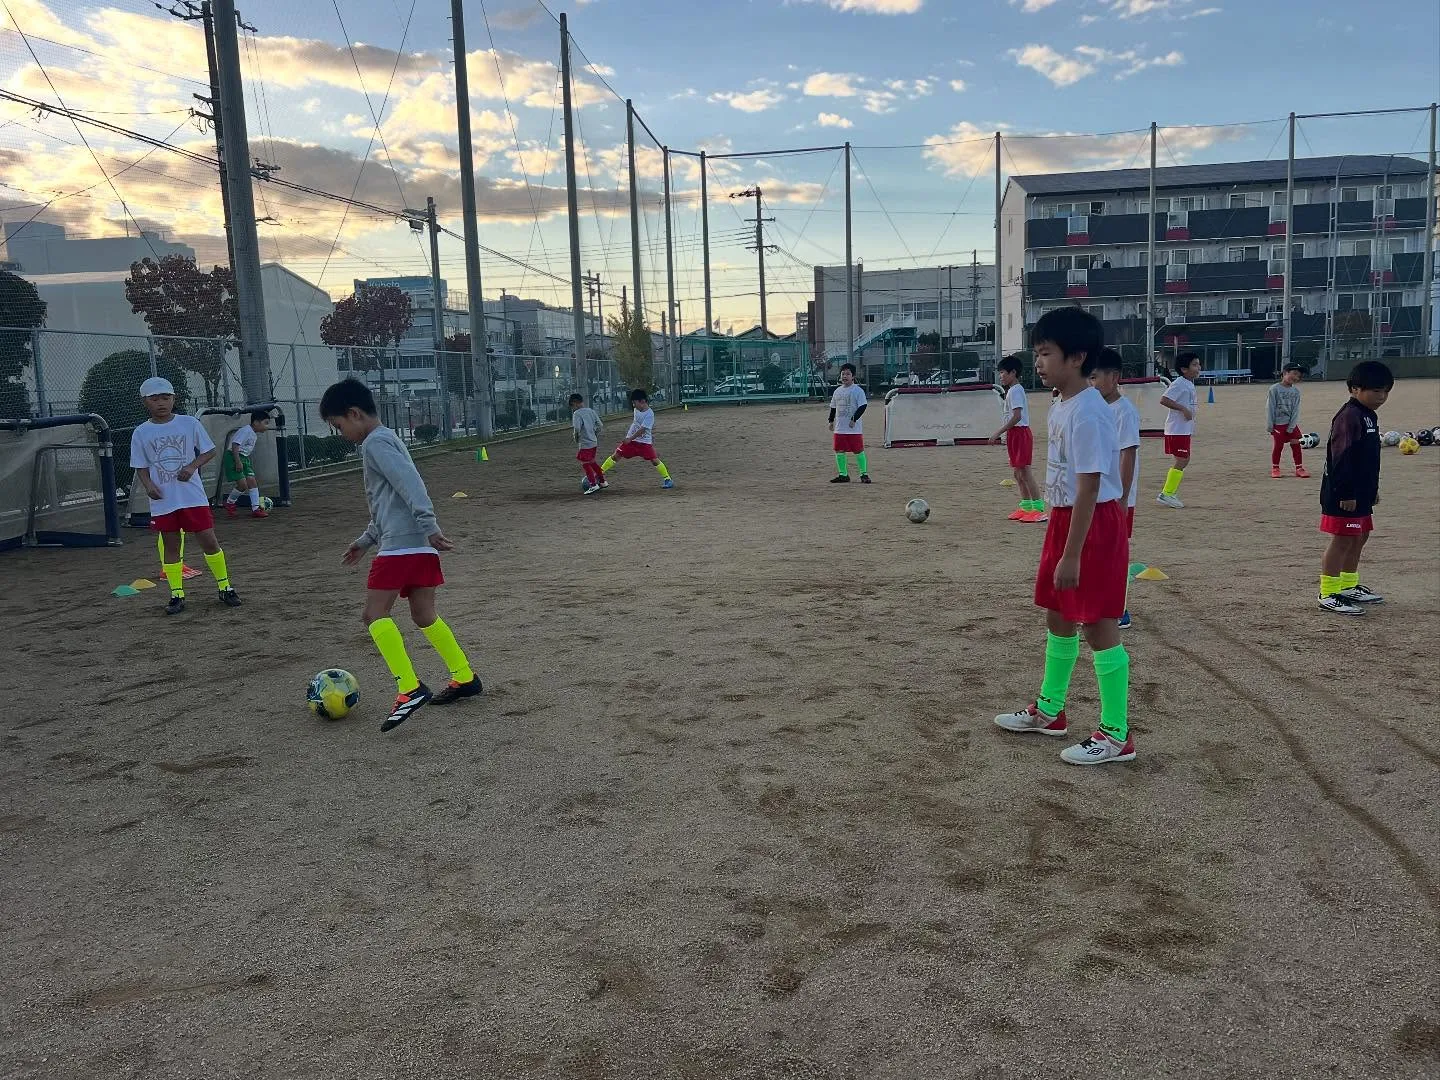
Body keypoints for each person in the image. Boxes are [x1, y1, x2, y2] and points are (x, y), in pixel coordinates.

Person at [993, 308, 1133, 765]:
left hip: (1091, 525)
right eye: (1036, 353)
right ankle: (1050, 710)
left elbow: (1091, 485)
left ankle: (1117, 733)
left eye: (1046, 353)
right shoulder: (1060, 401)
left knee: (1097, 623)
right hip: (1065, 520)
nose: (1039, 362)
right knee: (1057, 613)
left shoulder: (1089, 410)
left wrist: (1072, 554)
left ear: (1076, 357)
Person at [320, 378, 482, 732]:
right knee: (424, 615)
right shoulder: (386, 439)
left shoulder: (375, 443)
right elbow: (388, 502)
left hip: (402, 547)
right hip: (417, 545)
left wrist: (429, 523)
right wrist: (365, 540)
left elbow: (410, 483)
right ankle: (464, 677)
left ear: (354, 413)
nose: (341, 433)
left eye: (339, 426)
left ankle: (408, 687)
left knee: (373, 614)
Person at [131, 377, 241, 615]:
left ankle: (225, 586)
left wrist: (192, 466)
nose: (161, 403)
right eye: (155, 399)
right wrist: (148, 485)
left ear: (174, 399)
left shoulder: (189, 423)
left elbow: (209, 450)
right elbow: (140, 466)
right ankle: (176, 594)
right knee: (172, 545)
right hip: (163, 499)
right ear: (145, 402)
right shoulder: (141, 432)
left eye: (166, 398)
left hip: (192, 496)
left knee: (208, 540)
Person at [1317, 360, 1391, 616]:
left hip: (1361, 491)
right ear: (1354, 389)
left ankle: (1348, 585)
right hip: (1343, 493)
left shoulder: (1369, 415)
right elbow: (1341, 458)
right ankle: (1328, 592)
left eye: (1385, 391)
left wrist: (1372, 489)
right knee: (1343, 539)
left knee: (1360, 536)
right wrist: (1346, 492)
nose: (1381, 397)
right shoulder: (1349, 417)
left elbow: (1368, 459)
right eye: (1375, 391)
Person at [1089, 348, 1141, 630]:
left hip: (1118, 498)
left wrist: (1122, 497)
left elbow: (1127, 454)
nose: (1092, 384)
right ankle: (1100, 602)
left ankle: (1119, 609)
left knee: (1114, 554)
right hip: (1098, 495)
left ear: (1114, 377)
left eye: (1096, 377)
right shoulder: (1097, 408)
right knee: (1097, 552)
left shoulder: (1124, 412)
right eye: (1089, 378)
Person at [990, 354, 1045, 522]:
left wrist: (998, 432)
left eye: (1003, 373)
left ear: (1013, 372)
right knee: (1017, 473)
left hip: (1020, 433)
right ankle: (1026, 507)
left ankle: (1038, 508)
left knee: (1025, 472)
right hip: (1014, 434)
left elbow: (1017, 416)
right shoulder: (1011, 391)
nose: (1001, 376)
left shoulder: (1016, 391)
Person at [601, 389, 674, 489]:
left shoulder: (650, 414)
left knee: (654, 460)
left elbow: (642, 429)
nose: (634, 405)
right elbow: (635, 424)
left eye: (635, 403)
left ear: (642, 401)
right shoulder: (636, 410)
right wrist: (629, 437)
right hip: (632, 441)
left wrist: (629, 438)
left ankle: (668, 479)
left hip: (644, 443)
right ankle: (599, 473)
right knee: (616, 455)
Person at [1156, 351, 1201, 508]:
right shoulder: (1179, 383)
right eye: (1195, 365)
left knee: (1183, 459)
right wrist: (1183, 409)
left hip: (1184, 429)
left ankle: (1169, 492)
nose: (1198, 368)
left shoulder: (1189, 383)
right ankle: (1167, 493)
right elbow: (1164, 399)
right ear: (1184, 369)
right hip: (1177, 430)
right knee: (1183, 459)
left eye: (1198, 364)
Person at [223, 409, 272, 518]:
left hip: (244, 458)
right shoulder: (246, 431)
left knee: (252, 482)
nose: (267, 426)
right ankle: (230, 502)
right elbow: (235, 445)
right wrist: (238, 461)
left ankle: (256, 508)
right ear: (256, 422)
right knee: (242, 485)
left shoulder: (253, 433)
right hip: (233, 457)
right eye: (265, 423)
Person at [1267, 362, 1310, 479]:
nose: (1296, 377)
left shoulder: (1295, 392)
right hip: (1278, 424)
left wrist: (1292, 425)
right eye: (1294, 374)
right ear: (1285, 373)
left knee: (1296, 444)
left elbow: (1296, 410)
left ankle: (1299, 468)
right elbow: (1270, 407)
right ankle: (1275, 468)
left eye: (1299, 376)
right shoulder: (1274, 389)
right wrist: (1270, 425)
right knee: (1278, 446)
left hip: (1291, 424)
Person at [828, 363, 870, 484]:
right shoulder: (837, 391)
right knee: (839, 450)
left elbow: (863, 406)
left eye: (848, 374)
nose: (845, 376)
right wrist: (831, 421)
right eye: (843, 374)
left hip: (854, 429)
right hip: (840, 428)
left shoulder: (857, 390)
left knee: (858, 450)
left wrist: (854, 418)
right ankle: (843, 474)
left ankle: (864, 474)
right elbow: (833, 407)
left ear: (853, 376)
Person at [569, 393, 605, 495]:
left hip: (585, 443)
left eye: (572, 406)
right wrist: (594, 434)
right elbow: (600, 425)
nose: (573, 409)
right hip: (594, 442)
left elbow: (577, 429)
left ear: (575, 403)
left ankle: (593, 485)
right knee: (592, 462)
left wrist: (576, 438)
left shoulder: (577, 414)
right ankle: (603, 482)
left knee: (585, 463)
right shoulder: (591, 411)